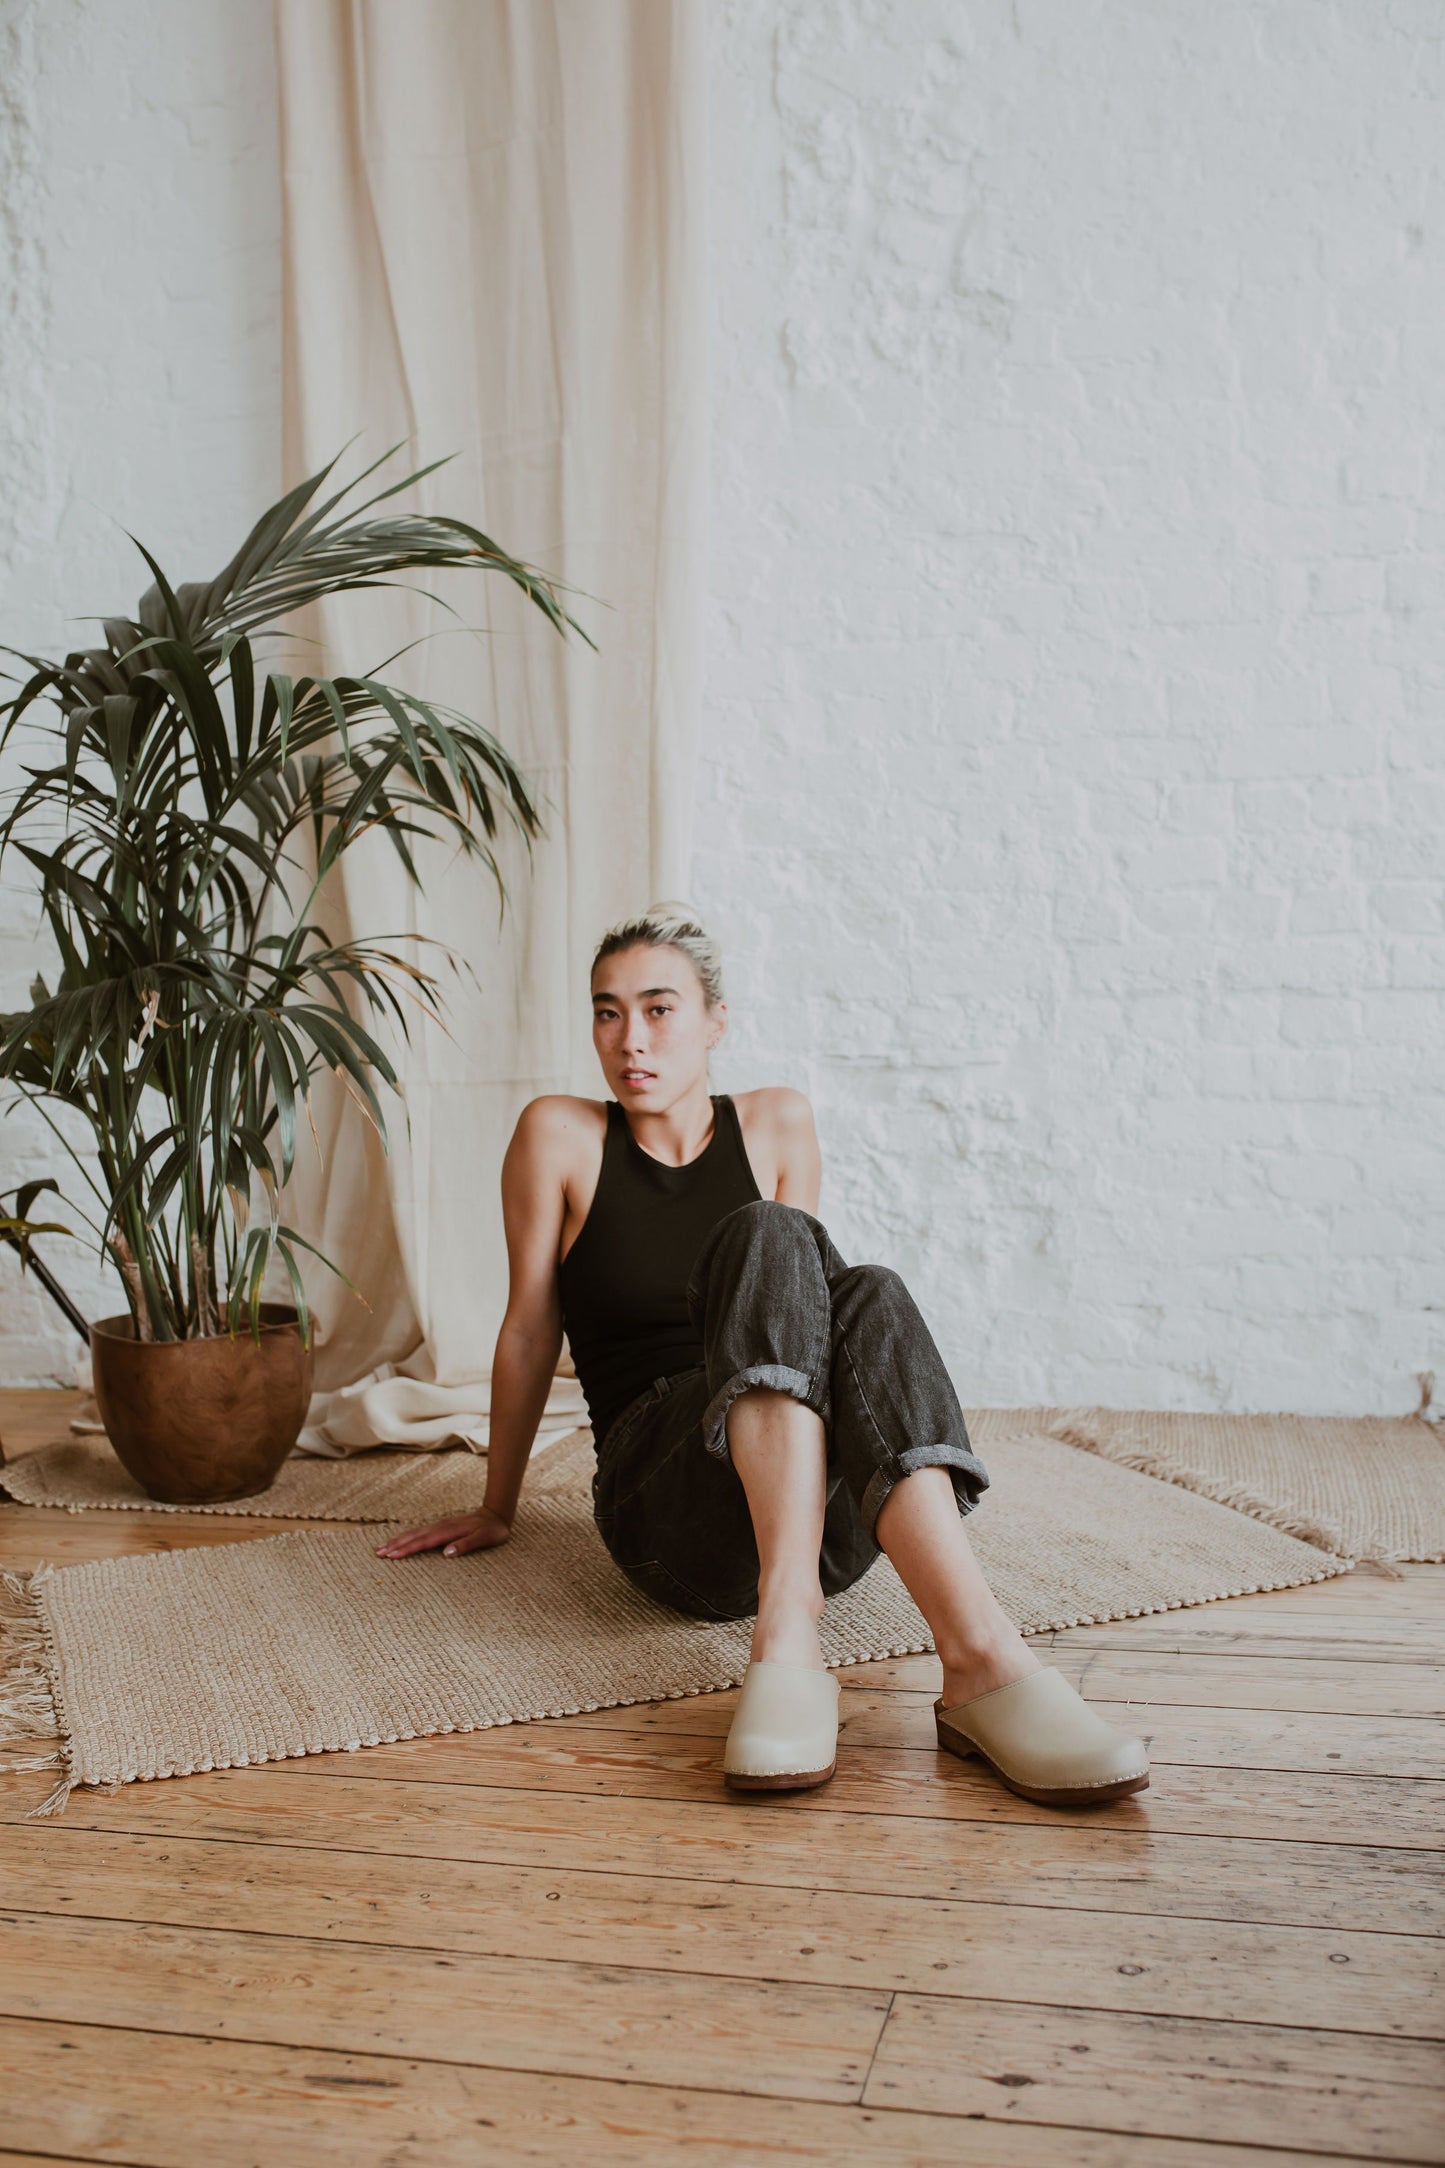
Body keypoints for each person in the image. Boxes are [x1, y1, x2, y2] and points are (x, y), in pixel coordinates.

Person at [376, 901, 1149, 1806]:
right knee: (773, 1237)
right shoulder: (560, 1135)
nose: (632, 1039)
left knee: (866, 1288)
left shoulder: (778, 1122)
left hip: (816, 1521)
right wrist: (496, 1505)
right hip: (670, 1509)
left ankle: (979, 1657)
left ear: (716, 1021)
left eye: (660, 1009)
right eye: (606, 1011)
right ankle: (787, 1635)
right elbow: (527, 1329)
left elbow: (811, 1327)